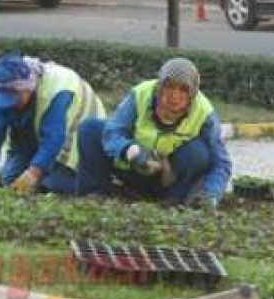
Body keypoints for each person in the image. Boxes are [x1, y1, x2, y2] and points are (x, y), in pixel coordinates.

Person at [75, 58, 232, 208]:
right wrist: (129, 150)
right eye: (169, 86)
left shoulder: (205, 113)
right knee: (90, 128)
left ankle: (173, 202)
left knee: (198, 152)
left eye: (183, 90)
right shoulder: (140, 94)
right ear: (159, 87)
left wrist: (211, 195)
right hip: (133, 166)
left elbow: (221, 163)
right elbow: (113, 131)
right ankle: (94, 195)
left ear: (192, 94)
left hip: (169, 179)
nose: (174, 97)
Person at [0, 55, 105, 195]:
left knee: (51, 187)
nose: (10, 103)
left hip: (77, 139)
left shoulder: (56, 93)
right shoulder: (2, 87)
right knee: (9, 181)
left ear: (28, 88)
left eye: (15, 98)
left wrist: (34, 172)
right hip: (35, 135)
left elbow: (53, 139)